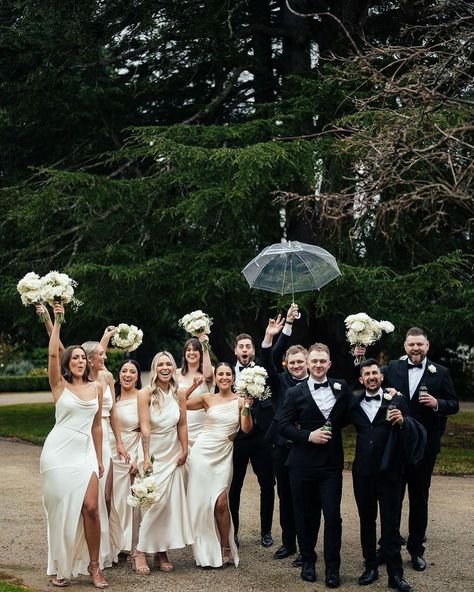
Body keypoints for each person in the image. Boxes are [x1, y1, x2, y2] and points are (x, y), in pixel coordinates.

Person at [40, 303, 108, 588]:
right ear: (68, 362)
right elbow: (53, 351)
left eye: (83, 357)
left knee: (91, 507)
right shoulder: (59, 385)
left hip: (84, 454)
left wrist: (100, 458)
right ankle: (58, 564)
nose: (80, 361)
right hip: (57, 454)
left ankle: (94, 567)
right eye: (75, 357)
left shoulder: (98, 387)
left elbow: (96, 424)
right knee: (59, 512)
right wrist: (57, 319)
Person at [381, 327, 459, 571]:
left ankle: (416, 550)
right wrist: (387, 394)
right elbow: (370, 382)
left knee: (419, 498)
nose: (416, 348)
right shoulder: (392, 367)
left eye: (420, 344)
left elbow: (454, 404)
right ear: (405, 346)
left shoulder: (441, 372)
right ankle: (388, 546)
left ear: (427, 346)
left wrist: (438, 403)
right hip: (396, 444)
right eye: (411, 344)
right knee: (392, 498)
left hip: (425, 447)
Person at [278, 343, 353, 587]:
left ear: (329, 364)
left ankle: (333, 568)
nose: (318, 365)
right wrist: (308, 436)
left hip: (330, 465)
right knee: (305, 515)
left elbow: (357, 410)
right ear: (308, 364)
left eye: (323, 361)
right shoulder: (294, 393)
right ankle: (308, 560)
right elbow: (282, 425)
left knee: (332, 515)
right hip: (301, 464)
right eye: (314, 361)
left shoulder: (341, 388)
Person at [347, 359, 414, 592]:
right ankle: (371, 567)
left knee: (391, 525)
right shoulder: (353, 403)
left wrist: (403, 421)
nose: (372, 376)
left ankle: (396, 575)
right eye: (367, 374)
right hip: (363, 473)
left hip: (390, 473)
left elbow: (412, 426)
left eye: (375, 372)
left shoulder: (397, 400)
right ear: (361, 379)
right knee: (367, 521)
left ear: (381, 376)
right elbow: (332, 420)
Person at [186, 362, 253, 567]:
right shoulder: (207, 398)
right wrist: (192, 386)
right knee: (202, 503)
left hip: (223, 455)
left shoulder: (240, 401)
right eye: (220, 374)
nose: (224, 377)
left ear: (233, 378)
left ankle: (225, 546)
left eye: (228, 374)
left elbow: (246, 429)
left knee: (222, 502)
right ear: (215, 377)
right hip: (201, 453)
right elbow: (181, 403)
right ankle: (204, 549)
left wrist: (248, 408)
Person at [132, 351, 193, 574]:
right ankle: (139, 551)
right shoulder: (145, 393)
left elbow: (183, 425)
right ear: (155, 368)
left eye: (169, 364)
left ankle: (161, 551)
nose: (165, 368)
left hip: (173, 452)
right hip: (153, 453)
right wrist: (146, 456)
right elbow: (145, 427)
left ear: (173, 368)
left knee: (167, 503)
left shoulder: (180, 394)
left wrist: (185, 449)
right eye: (160, 365)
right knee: (152, 502)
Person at [260, 307, 306, 562]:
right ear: (287, 364)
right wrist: (273, 335)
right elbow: (267, 360)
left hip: (307, 449)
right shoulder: (279, 381)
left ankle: (305, 545)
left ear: (308, 363)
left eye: (301, 362)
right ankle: (289, 543)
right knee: (285, 496)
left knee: (304, 499)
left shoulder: (316, 383)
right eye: (293, 362)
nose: (297, 366)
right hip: (282, 448)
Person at [82, 340, 129, 568]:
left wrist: (119, 442)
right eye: (102, 354)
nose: (106, 358)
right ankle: (88, 552)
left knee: (107, 496)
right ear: (90, 359)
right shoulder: (80, 380)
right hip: (85, 437)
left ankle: (105, 547)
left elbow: (114, 414)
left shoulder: (108, 377)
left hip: (106, 440)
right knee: (89, 499)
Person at [229, 333, 275, 548]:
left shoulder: (263, 371)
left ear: (253, 350)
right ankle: (233, 532)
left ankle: (266, 531)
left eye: (248, 346)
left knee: (267, 483)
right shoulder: (227, 374)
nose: (245, 350)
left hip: (262, 434)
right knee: (234, 484)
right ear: (236, 351)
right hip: (238, 436)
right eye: (241, 346)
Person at [111, 360, 142, 559]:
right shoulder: (114, 397)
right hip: (114, 449)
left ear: (138, 376)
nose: (127, 374)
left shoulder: (142, 397)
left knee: (132, 497)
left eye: (132, 371)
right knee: (114, 497)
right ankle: (115, 542)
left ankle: (133, 544)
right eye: (124, 371)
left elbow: (150, 430)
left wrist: (138, 457)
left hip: (134, 449)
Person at [177, 335, 214, 450]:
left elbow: (208, 376)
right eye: (188, 350)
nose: (191, 353)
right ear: (184, 353)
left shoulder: (208, 371)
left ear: (200, 353)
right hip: (182, 424)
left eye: (195, 350)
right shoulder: (177, 374)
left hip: (202, 426)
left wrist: (205, 346)